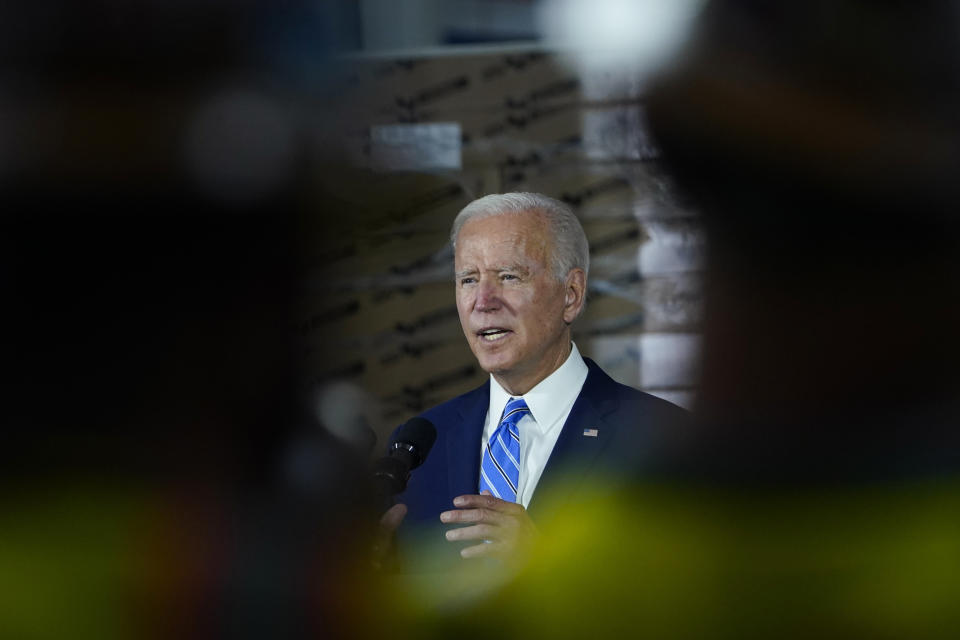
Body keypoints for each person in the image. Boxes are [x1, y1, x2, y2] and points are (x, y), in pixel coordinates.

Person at [378, 192, 686, 570]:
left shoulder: (664, 440)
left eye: (509, 276)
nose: (483, 301)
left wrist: (547, 567)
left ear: (571, 295)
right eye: (468, 280)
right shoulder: (420, 447)